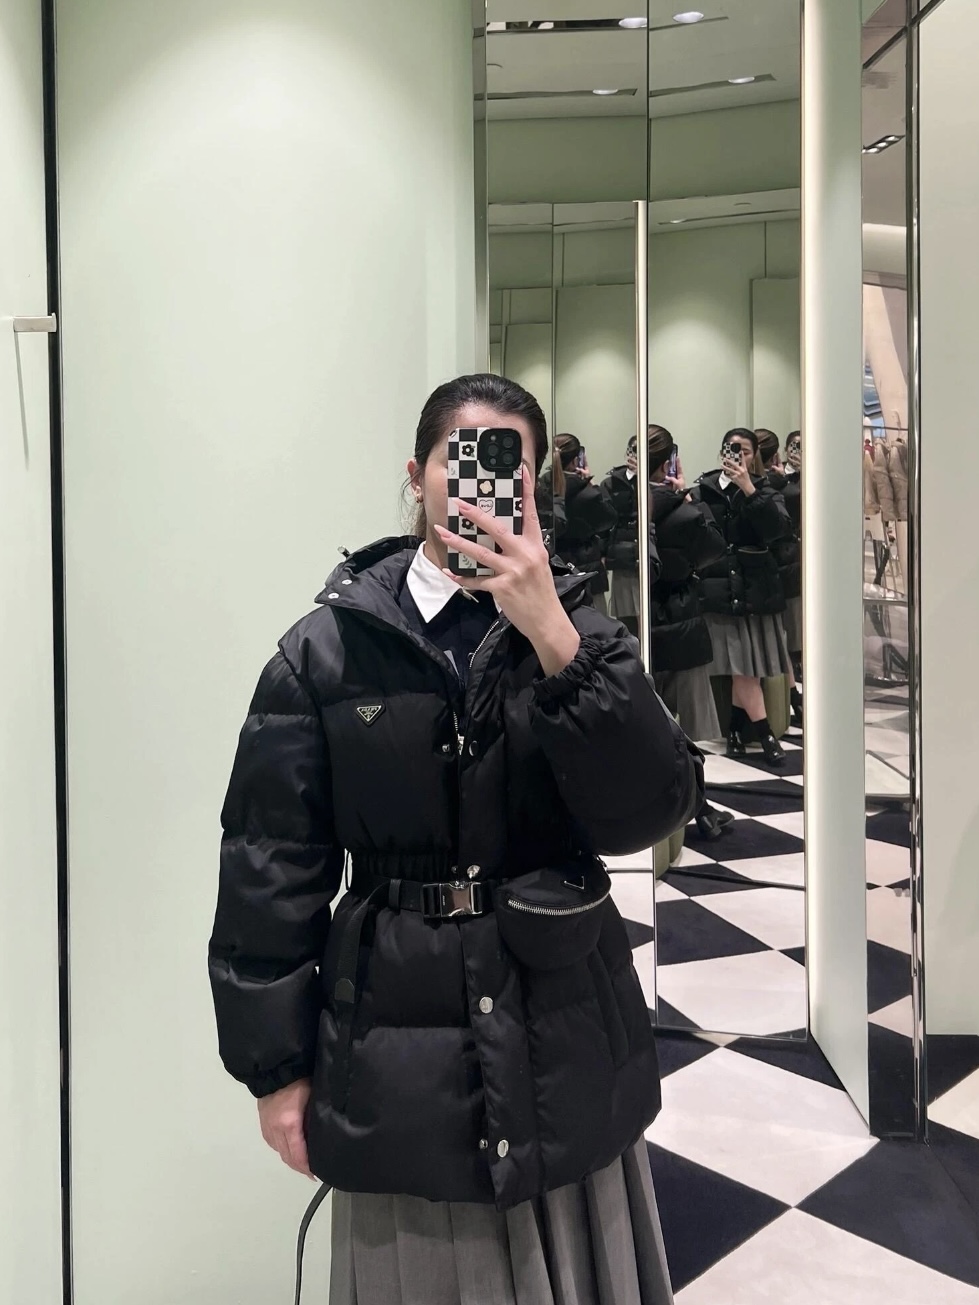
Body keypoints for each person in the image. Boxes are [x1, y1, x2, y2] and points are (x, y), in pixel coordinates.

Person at [208, 373, 703, 1304]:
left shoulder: (580, 632)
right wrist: (275, 1070)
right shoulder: (328, 650)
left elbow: (647, 811)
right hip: (395, 1048)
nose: (482, 486)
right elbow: (270, 871)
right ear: (417, 475)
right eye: (461, 459)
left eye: (509, 468)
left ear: (535, 488)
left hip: (561, 1026)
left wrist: (554, 637)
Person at [646, 425, 734, 840]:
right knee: (684, 732)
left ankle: (680, 808)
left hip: (641, 620)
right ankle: (697, 807)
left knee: (652, 725)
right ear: (670, 462)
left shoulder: (623, 503)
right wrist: (692, 499)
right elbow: (715, 549)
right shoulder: (685, 511)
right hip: (680, 621)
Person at [689, 427, 793, 768]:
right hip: (720, 588)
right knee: (741, 667)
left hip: (756, 589)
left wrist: (749, 488)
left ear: (755, 455)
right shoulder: (703, 489)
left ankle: (735, 729)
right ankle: (765, 735)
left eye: (745, 451)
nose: (738, 456)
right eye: (732, 450)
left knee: (746, 668)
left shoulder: (766, 488)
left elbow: (778, 531)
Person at [537, 432, 617, 614]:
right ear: (576, 460)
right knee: (596, 624)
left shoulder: (542, 486)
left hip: (556, 568)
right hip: (587, 568)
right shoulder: (587, 493)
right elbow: (610, 518)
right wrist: (593, 483)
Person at [602, 432, 664, 637]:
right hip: (623, 558)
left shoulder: (662, 483)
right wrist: (604, 554)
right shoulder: (612, 483)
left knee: (652, 621)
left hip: (654, 558)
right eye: (634, 450)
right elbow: (604, 522)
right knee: (627, 622)